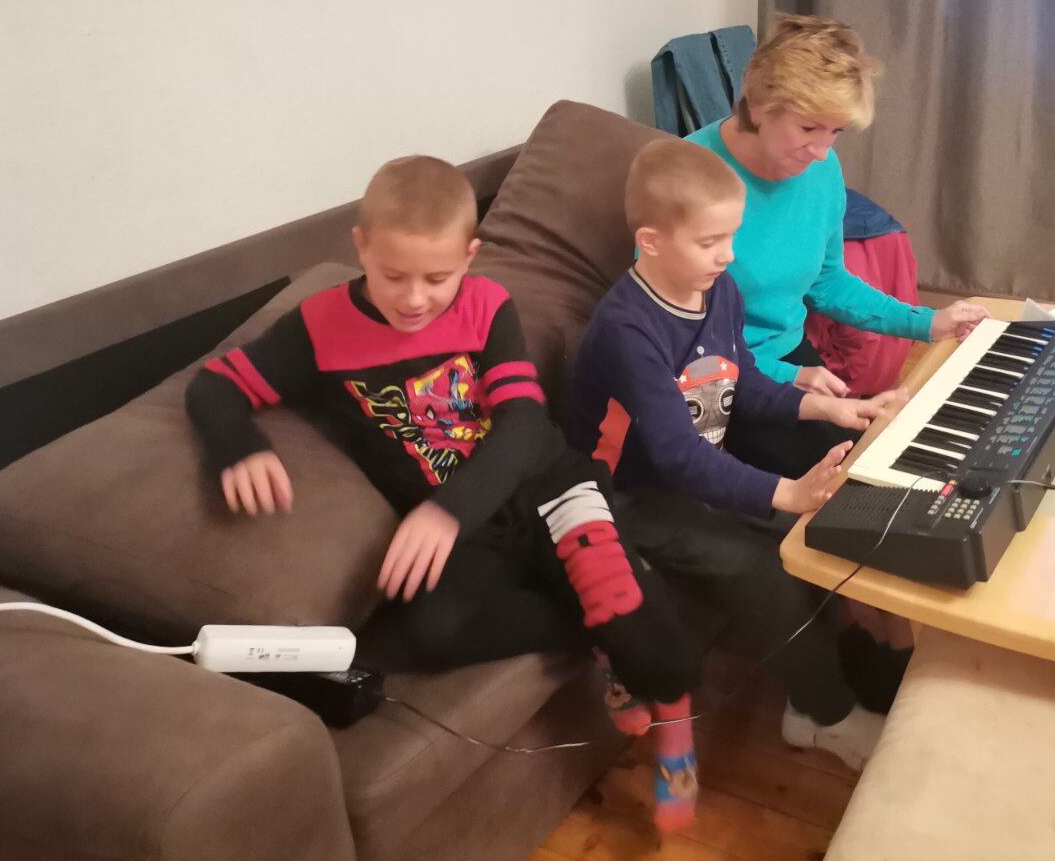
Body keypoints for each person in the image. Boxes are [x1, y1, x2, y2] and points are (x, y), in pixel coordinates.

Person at [184, 155, 702, 831]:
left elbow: (520, 423)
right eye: (393, 275)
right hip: (466, 529)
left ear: (471, 255)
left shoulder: (488, 306)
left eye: (438, 277)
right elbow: (215, 385)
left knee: (616, 591)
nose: (416, 298)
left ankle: (673, 726)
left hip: (545, 482)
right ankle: (600, 631)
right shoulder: (318, 329)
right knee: (428, 633)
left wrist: (444, 512)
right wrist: (239, 446)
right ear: (361, 246)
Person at [569, 138, 902, 770]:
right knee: (761, 561)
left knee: (820, 526)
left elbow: (739, 378)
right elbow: (672, 456)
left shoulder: (717, 289)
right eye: (709, 242)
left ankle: (830, 673)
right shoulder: (627, 331)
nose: (728, 255)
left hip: (692, 471)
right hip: (624, 498)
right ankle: (823, 716)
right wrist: (784, 492)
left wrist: (826, 407)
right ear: (651, 240)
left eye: (731, 237)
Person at [686, 13, 989, 479]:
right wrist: (788, 380)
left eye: (835, 132)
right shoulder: (689, 175)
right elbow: (677, 335)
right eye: (809, 129)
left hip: (789, 356)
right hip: (718, 378)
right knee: (846, 482)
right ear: (761, 105)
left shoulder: (820, 170)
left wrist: (928, 323)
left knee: (881, 461)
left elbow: (827, 282)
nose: (823, 151)